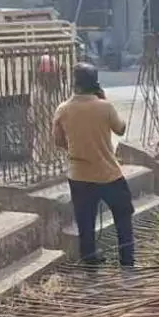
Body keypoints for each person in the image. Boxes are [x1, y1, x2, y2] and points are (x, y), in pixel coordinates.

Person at [53, 63, 135, 268]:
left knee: (85, 222)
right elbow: (121, 129)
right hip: (109, 174)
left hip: (79, 175)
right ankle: (127, 262)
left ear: (75, 84)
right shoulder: (104, 107)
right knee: (123, 217)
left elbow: (58, 141)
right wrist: (104, 100)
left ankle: (89, 262)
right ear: (95, 84)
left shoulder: (62, 110)